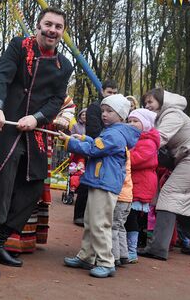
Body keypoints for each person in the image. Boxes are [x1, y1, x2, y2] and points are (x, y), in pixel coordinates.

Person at [0, 7, 73, 279]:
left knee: (32, 188)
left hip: (35, 135)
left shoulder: (65, 65)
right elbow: (1, 78)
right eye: (48, 24)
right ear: (38, 25)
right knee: (1, 188)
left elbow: (56, 100)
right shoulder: (19, 46)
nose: (52, 30)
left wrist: (38, 118)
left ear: (62, 31)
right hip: (6, 129)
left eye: (58, 26)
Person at [60, 94, 139, 278]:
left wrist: (71, 142)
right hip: (99, 181)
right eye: (103, 110)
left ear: (121, 115)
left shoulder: (115, 134)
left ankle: (106, 261)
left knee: (100, 224)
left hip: (105, 184)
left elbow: (94, 150)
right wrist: (83, 138)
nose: (104, 114)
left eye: (109, 111)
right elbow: (97, 144)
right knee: (90, 221)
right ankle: (86, 256)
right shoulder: (111, 131)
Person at [138, 88, 190, 260]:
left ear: (162, 101)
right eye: (145, 103)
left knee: (168, 196)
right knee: (181, 205)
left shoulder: (172, 114)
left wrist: (134, 147)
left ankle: (158, 247)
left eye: (151, 101)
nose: (147, 105)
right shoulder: (163, 117)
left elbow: (160, 138)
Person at [73, 79, 118, 226]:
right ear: (102, 91)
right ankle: (79, 214)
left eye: (114, 93)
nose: (111, 95)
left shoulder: (116, 108)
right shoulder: (94, 107)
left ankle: (94, 215)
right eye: (109, 92)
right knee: (88, 179)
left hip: (107, 147)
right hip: (94, 146)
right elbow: (93, 130)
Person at [124, 108, 160, 263]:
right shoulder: (135, 138)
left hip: (141, 183)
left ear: (145, 124)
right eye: (130, 121)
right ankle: (126, 247)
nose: (132, 124)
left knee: (131, 217)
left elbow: (136, 159)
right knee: (127, 217)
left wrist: (121, 154)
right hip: (133, 183)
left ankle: (131, 250)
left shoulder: (148, 142)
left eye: (135, 121)